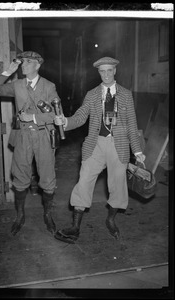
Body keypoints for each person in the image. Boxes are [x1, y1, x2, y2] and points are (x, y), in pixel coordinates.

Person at [54, 56, 145, 243]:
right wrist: (66, 121)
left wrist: (137, 151)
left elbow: (131, 124)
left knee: (117, 186)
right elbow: (80, 116)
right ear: (98, 72)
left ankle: (111, 219)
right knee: (84, 180)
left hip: (118, 145)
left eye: (109, 70)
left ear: (115, 71)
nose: (106, 74)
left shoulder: (126, 94)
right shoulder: (92, 94)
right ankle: (75, 227)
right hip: (95, 144)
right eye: (102, 71)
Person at [0, 51, 60, 236]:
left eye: (28, 62)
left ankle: (48, 214)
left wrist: (33, 116)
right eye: (22, 62)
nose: (23, 65)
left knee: (47, 179)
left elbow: (55, 115)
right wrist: (7, 72)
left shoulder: (49, 86)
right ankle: (20, 215)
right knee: (20, 178)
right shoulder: (17, 85)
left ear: (38, 65)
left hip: (43, 135)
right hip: (23, 137)